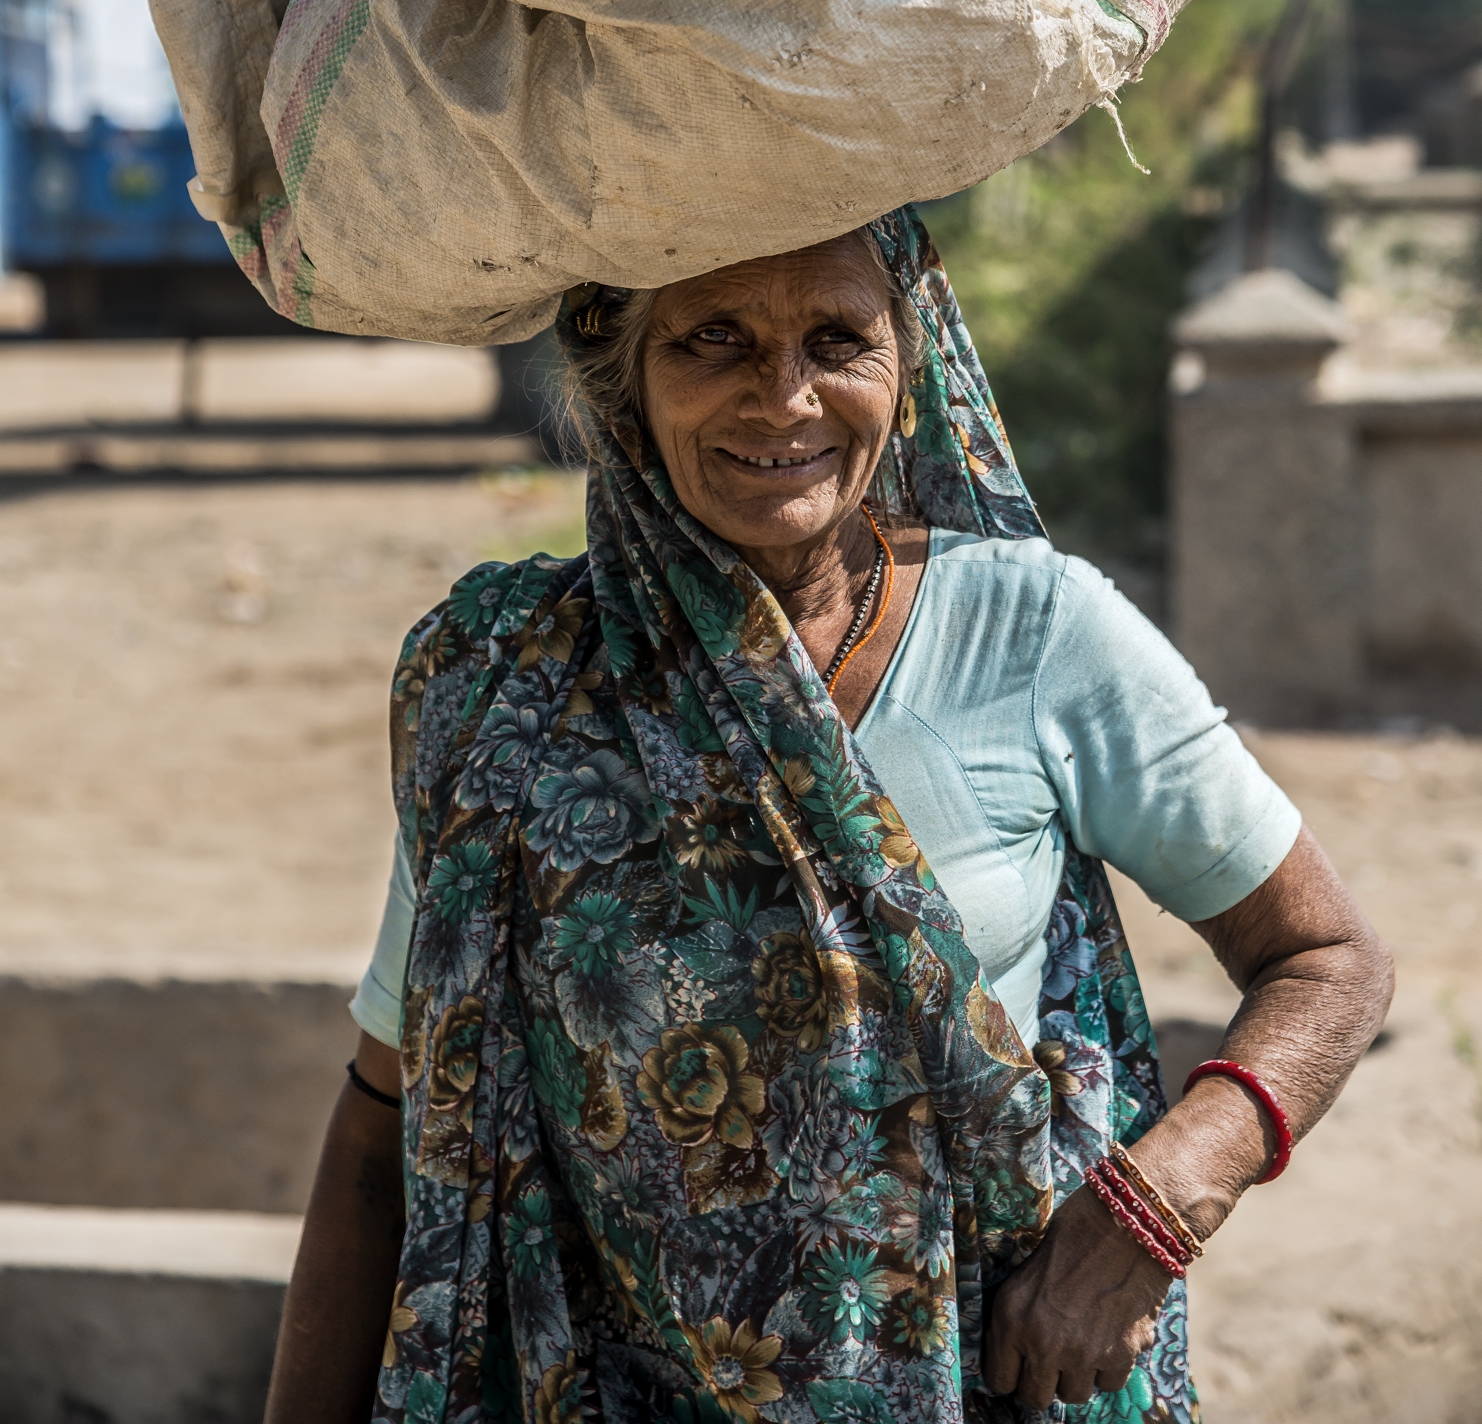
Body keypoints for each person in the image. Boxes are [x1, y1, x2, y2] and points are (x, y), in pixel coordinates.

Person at [266, 210, 1392, 1424]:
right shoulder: (508, 690)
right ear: (621, 380)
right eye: (714, 337)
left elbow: (1329, 959)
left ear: (907, 370)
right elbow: (390, 1120)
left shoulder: (1034, 635)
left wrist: (1155, 1205)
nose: (785, 397)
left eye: (836, 338)